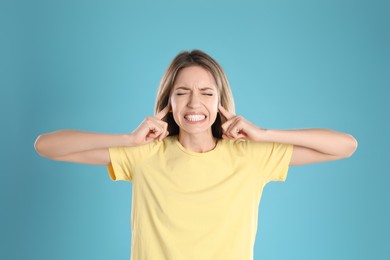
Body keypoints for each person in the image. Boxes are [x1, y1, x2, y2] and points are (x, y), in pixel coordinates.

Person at [34, 49, 358, 260]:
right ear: (167, 103)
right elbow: (46, 145)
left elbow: (345, 145)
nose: (194, 104)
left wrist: (265, 134)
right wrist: (127, 139)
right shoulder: (144, 155)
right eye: (181, 93)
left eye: (206, 93)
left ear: (221, 101)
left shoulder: (251, 156)